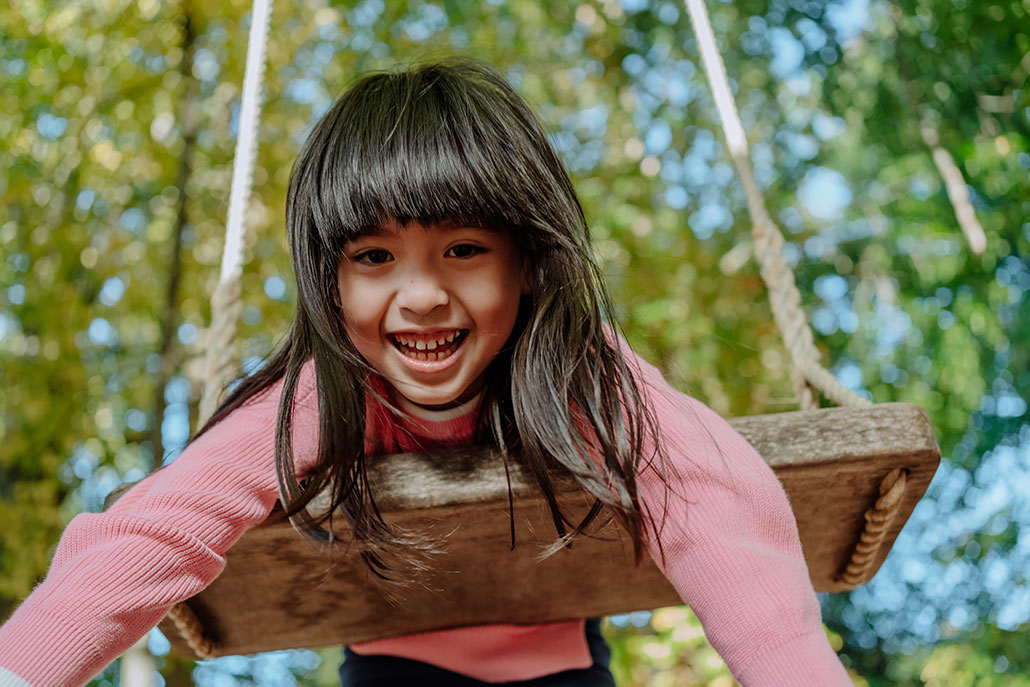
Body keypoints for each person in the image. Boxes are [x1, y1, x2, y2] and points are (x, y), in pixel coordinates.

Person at [0, 57, 852, 687]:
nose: (421, 295)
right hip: (391, 666)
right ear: (331, 286)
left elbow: (713, 503)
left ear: (525, 263)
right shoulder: (321, 400)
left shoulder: (576, 372)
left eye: (464, 249)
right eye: (374, 256)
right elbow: (156, 528)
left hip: (562, 667)